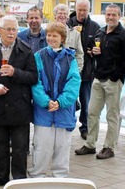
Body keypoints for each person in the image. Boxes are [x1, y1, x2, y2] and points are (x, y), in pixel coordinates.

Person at [0, 15, 38, 188]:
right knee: (0, 145)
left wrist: (15, 72)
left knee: (20, 147)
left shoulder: (26, 50)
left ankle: (19, 179)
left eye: (14, 29)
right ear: (0, 30)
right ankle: (1, 176)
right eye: (8, 29)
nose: (12, 33)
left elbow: (34, 77)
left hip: (20, 105)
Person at [75, 4, 125, 160]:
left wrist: (115, 76)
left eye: (114, 15)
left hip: (113, 81)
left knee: (112, 115)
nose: (110, 17)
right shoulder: (100, 32)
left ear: (119, 16)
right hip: (98, 79)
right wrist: (95, 53)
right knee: (92, 112)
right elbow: (96, 53)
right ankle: (90, 145)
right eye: (108, 14)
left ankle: (109, 147)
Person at [28, 22, 81, 178]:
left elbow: (74, 83)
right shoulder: (39, 56)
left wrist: (60, 102)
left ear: (62, 38)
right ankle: (37, 175)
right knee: (42, 146)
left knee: (62, 146)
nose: (51, 38)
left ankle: (60, 177)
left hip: (63, 112)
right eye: (49, 35)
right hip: (43, 111)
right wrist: (46, 101)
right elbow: (35, 82)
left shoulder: (71, 58)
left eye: (55, 35)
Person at [67, 0, 100, 140]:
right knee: (69, 100)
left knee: (86, 102)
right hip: (70, 72)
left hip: (87, 72)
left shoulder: (94, 27)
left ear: (89, 10)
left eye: (84, 10)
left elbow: (99, 46)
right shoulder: (68, 24)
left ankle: (85, 128)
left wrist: (93, 51)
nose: (82, 13)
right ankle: (67, 125)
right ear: (75, 9)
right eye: (79, 10)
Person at [53, 4, 83, 72]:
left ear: (68, 17)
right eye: (60, 13)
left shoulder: (76, 33)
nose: (62, 16)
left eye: (65, 14)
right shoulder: (48, 32)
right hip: (52, 71)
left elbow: (79, 54)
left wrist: (78, 70)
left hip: (70, 71)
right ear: (55, 16)